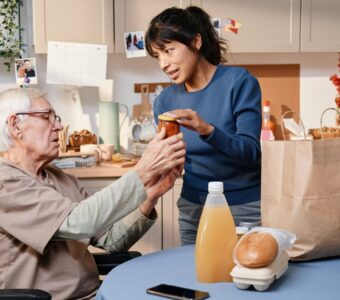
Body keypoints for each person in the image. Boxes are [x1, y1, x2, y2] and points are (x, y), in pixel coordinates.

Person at [0, 88, 185, 299]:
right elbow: (78, 222)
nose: (59, 126)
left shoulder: (61, 178)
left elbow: (111, 240)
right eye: (46, 117)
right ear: (15, 126)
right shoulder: (5, 182)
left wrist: (151, 194)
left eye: (56, 118)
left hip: (97, 294)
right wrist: (141, 171)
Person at [145, 6, 262, 245]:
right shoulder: (165, 101)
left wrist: (206, 130)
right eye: (158, 56)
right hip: (194, 208)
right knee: (194, 277)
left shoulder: (239, 83)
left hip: (243, 208)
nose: (163, 64)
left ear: (195, 42)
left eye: (169, 51)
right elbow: (171, 159)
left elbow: (251, 152)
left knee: (244, 276)